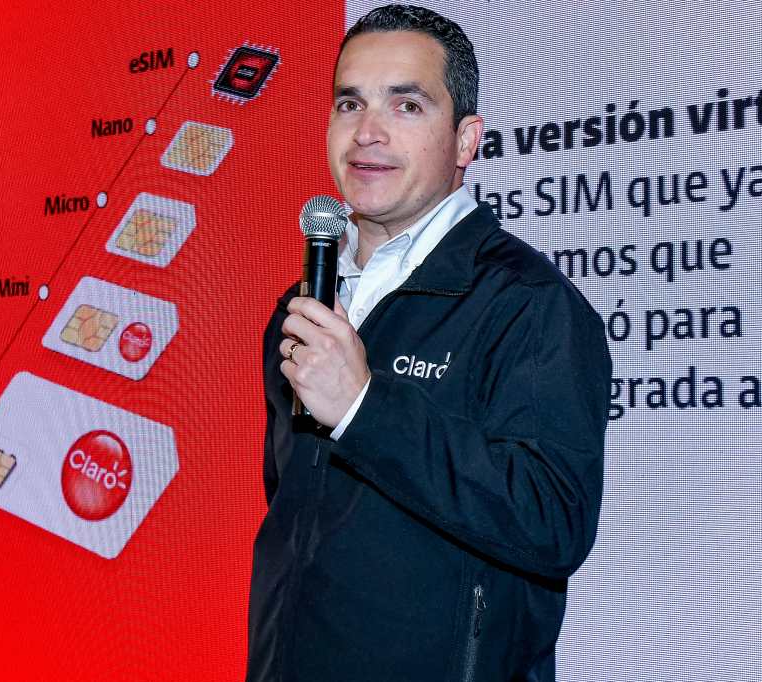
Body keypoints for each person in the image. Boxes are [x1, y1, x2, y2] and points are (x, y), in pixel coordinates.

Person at [246, 5, 611, 681]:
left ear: (465, 141)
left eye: (407, 105)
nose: (368, 132)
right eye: (350, 103)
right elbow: (294, 508)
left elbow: (553, 521)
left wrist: (365, 408)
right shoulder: (304, 309)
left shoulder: (529, 304)